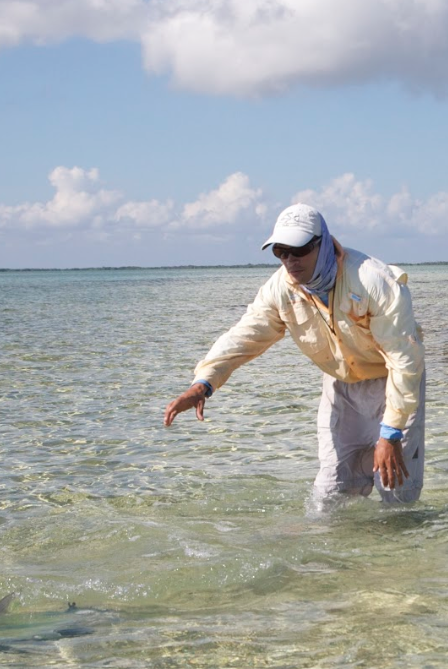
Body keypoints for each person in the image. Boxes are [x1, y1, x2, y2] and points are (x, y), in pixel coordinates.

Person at [165, 203, 426, 508]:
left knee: (396, 494)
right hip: (340, 387)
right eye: (280, 251)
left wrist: (391, 431)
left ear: (323, 243)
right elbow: (245, 334)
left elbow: (404, 360)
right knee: (330, 492)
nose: (289, 260)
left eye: (298, 250)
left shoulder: (373, 281)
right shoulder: (280, 288)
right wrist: (203, 383)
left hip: (394, 384)